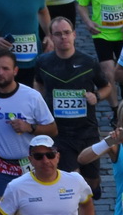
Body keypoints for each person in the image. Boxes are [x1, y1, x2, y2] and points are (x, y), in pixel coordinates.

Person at [0, 52, 59, 215]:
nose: (0, 73)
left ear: (15, 71)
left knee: (32, 214)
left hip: (29, 164)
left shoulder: (31, 97)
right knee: (3, 214)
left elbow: (53, 129)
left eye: (5, 68)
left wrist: (29, 127)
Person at [34, 16, 111, 196]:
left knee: (91, 181)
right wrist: (40, 101)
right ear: (51, 37)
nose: (63, 37)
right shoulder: (43, 62)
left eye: (66, 33)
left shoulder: (88, 62)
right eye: (58, 34)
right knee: (73, 179)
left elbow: (107, 87)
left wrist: (96, 96)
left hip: (87, 131)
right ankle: (76, 213)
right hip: (60, 133)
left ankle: (90, 195)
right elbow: (38, 82)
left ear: (74, 35)